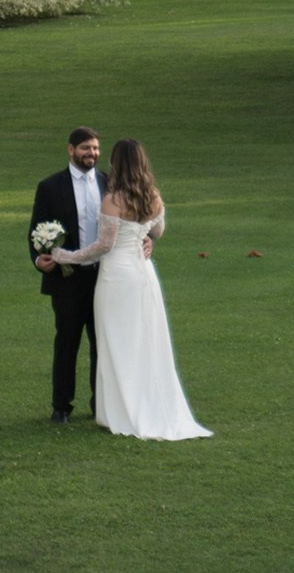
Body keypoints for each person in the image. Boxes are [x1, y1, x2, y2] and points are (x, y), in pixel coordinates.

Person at [37, 136, 211, 442]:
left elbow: (104, 245)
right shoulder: (153, 195)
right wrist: (144, 238)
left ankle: (120, 409)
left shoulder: (113, 198)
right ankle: (128, 404)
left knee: (115, 341)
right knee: (142, 339)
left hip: (116, 276)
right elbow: (158, 230)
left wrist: (66, 256)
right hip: (143, 274)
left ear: (117, 162)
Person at [27, 128, 111, 425]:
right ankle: (61, 406)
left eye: (96, 148)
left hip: (104, 277)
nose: (92, 153)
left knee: (103, 344)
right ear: (71, 149)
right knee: (67, 343)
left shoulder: (109, 183)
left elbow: (129, 221)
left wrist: (148, 239)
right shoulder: (50, 186)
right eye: (86, 148)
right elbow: (36, 230)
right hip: (67, 278)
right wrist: (38, 259)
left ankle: (101, 404)